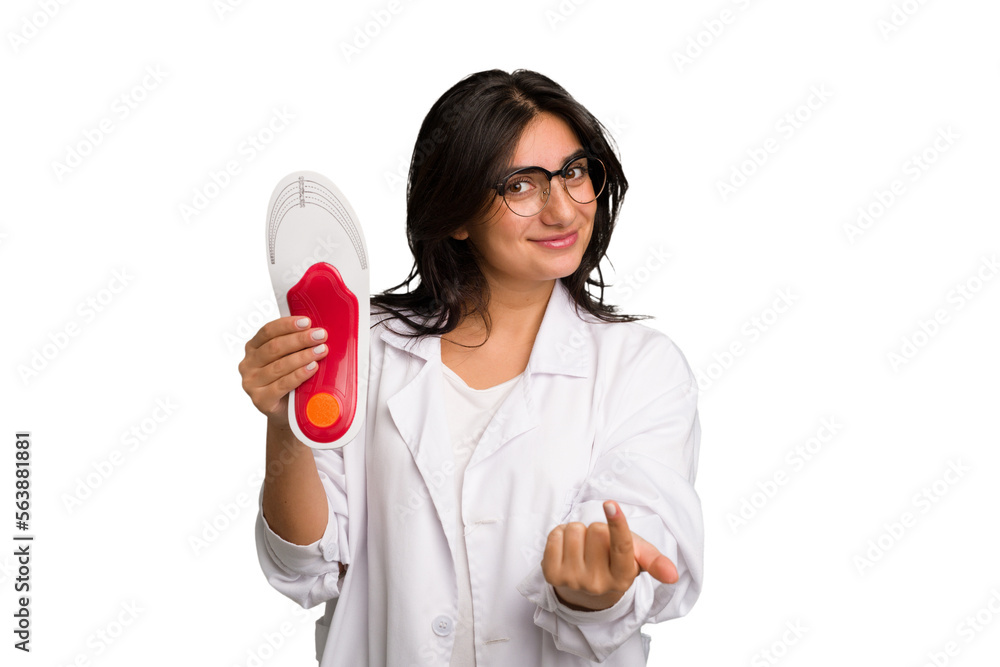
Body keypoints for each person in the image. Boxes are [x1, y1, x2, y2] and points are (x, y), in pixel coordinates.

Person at [239, 69, 703, 666]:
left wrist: (598, 587)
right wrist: (287, 423)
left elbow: (640, 545)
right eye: (521, 185)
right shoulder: (367, 347)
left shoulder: (642, 368)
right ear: (457, 215)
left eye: (574, 172)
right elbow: (307, 566)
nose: (562, 208)